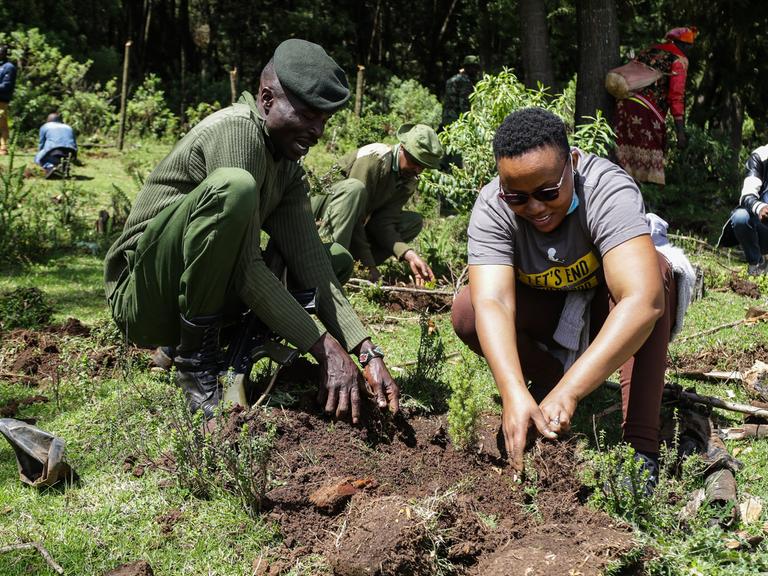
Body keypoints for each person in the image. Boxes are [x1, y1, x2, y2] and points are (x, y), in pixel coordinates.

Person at [104, 39, 399, 422]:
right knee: (235, 188)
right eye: (309, 115)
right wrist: (324, 348)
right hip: (142, 298)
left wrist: (365, 350)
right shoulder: (236, 132)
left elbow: (312, 264)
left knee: (334, 259)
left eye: (324, 120)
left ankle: (211, 347)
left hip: (189, 293)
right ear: (266, 99)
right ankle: (195, 365)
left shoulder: (287, 162)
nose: (317, 131)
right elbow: (245, 267)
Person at [451, 108, 685, 492]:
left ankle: (641, 446)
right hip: (550, 309)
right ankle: (545, 383)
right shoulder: (493, 206)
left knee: (654, 275)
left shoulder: (605, 189)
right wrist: (512, 391)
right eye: (518, 197)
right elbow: (492, 301)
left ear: (572, 164)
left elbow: (641, 300)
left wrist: (572, 392)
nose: (536, 208)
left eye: (548, 192)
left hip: (604, 313)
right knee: (467, 309)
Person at [311, 124, 442, 286]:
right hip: (319, 216)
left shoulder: (408, 180)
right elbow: (355, 216)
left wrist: (408, 254)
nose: (417, 169)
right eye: (415, 161)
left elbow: (383, 223)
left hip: (352, 225)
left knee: (412, 222)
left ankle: (352, 267)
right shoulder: (374, 158)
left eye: (423, 166)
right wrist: (370, 265)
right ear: (402, 148)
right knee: (354, 190)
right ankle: (325, 266)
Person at [613, 26, 698, 185]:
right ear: (685, 45)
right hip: (646, 112)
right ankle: (638, 196)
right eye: (690, 46)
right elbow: (676, 96)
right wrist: (680, 131)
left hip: (623, 105)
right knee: (643, 168)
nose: (691, 50)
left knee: (622, 160)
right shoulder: (679, 60)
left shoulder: (650, 50)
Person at [717, 144, 768, 275]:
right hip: (763, 226)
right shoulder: (760, 156)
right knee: (741, 217)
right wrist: (761, 207)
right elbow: (746, 196)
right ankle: (756, 266)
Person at [441, 55, 481, 129]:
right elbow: (464, 105)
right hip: (457, 121)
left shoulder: (453, 79)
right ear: (468, 67)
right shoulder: (465, 82)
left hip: (446, 117)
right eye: (474, 68)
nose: (476, 71)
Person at [35, 113, 78, 178]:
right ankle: (64, 167)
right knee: (63, 159)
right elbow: (74, 143)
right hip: (71, 152)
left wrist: (41, 154)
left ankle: (50, 167)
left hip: (54, 151)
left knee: (38, 158)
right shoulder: (68, 127)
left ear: (48, 120)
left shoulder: (45, 126)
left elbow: (41, 143)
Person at [0, 45, 17, 156]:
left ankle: (3, 148)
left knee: (1, 123)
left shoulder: (9, 67)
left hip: (2, 99)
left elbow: (7, 85)